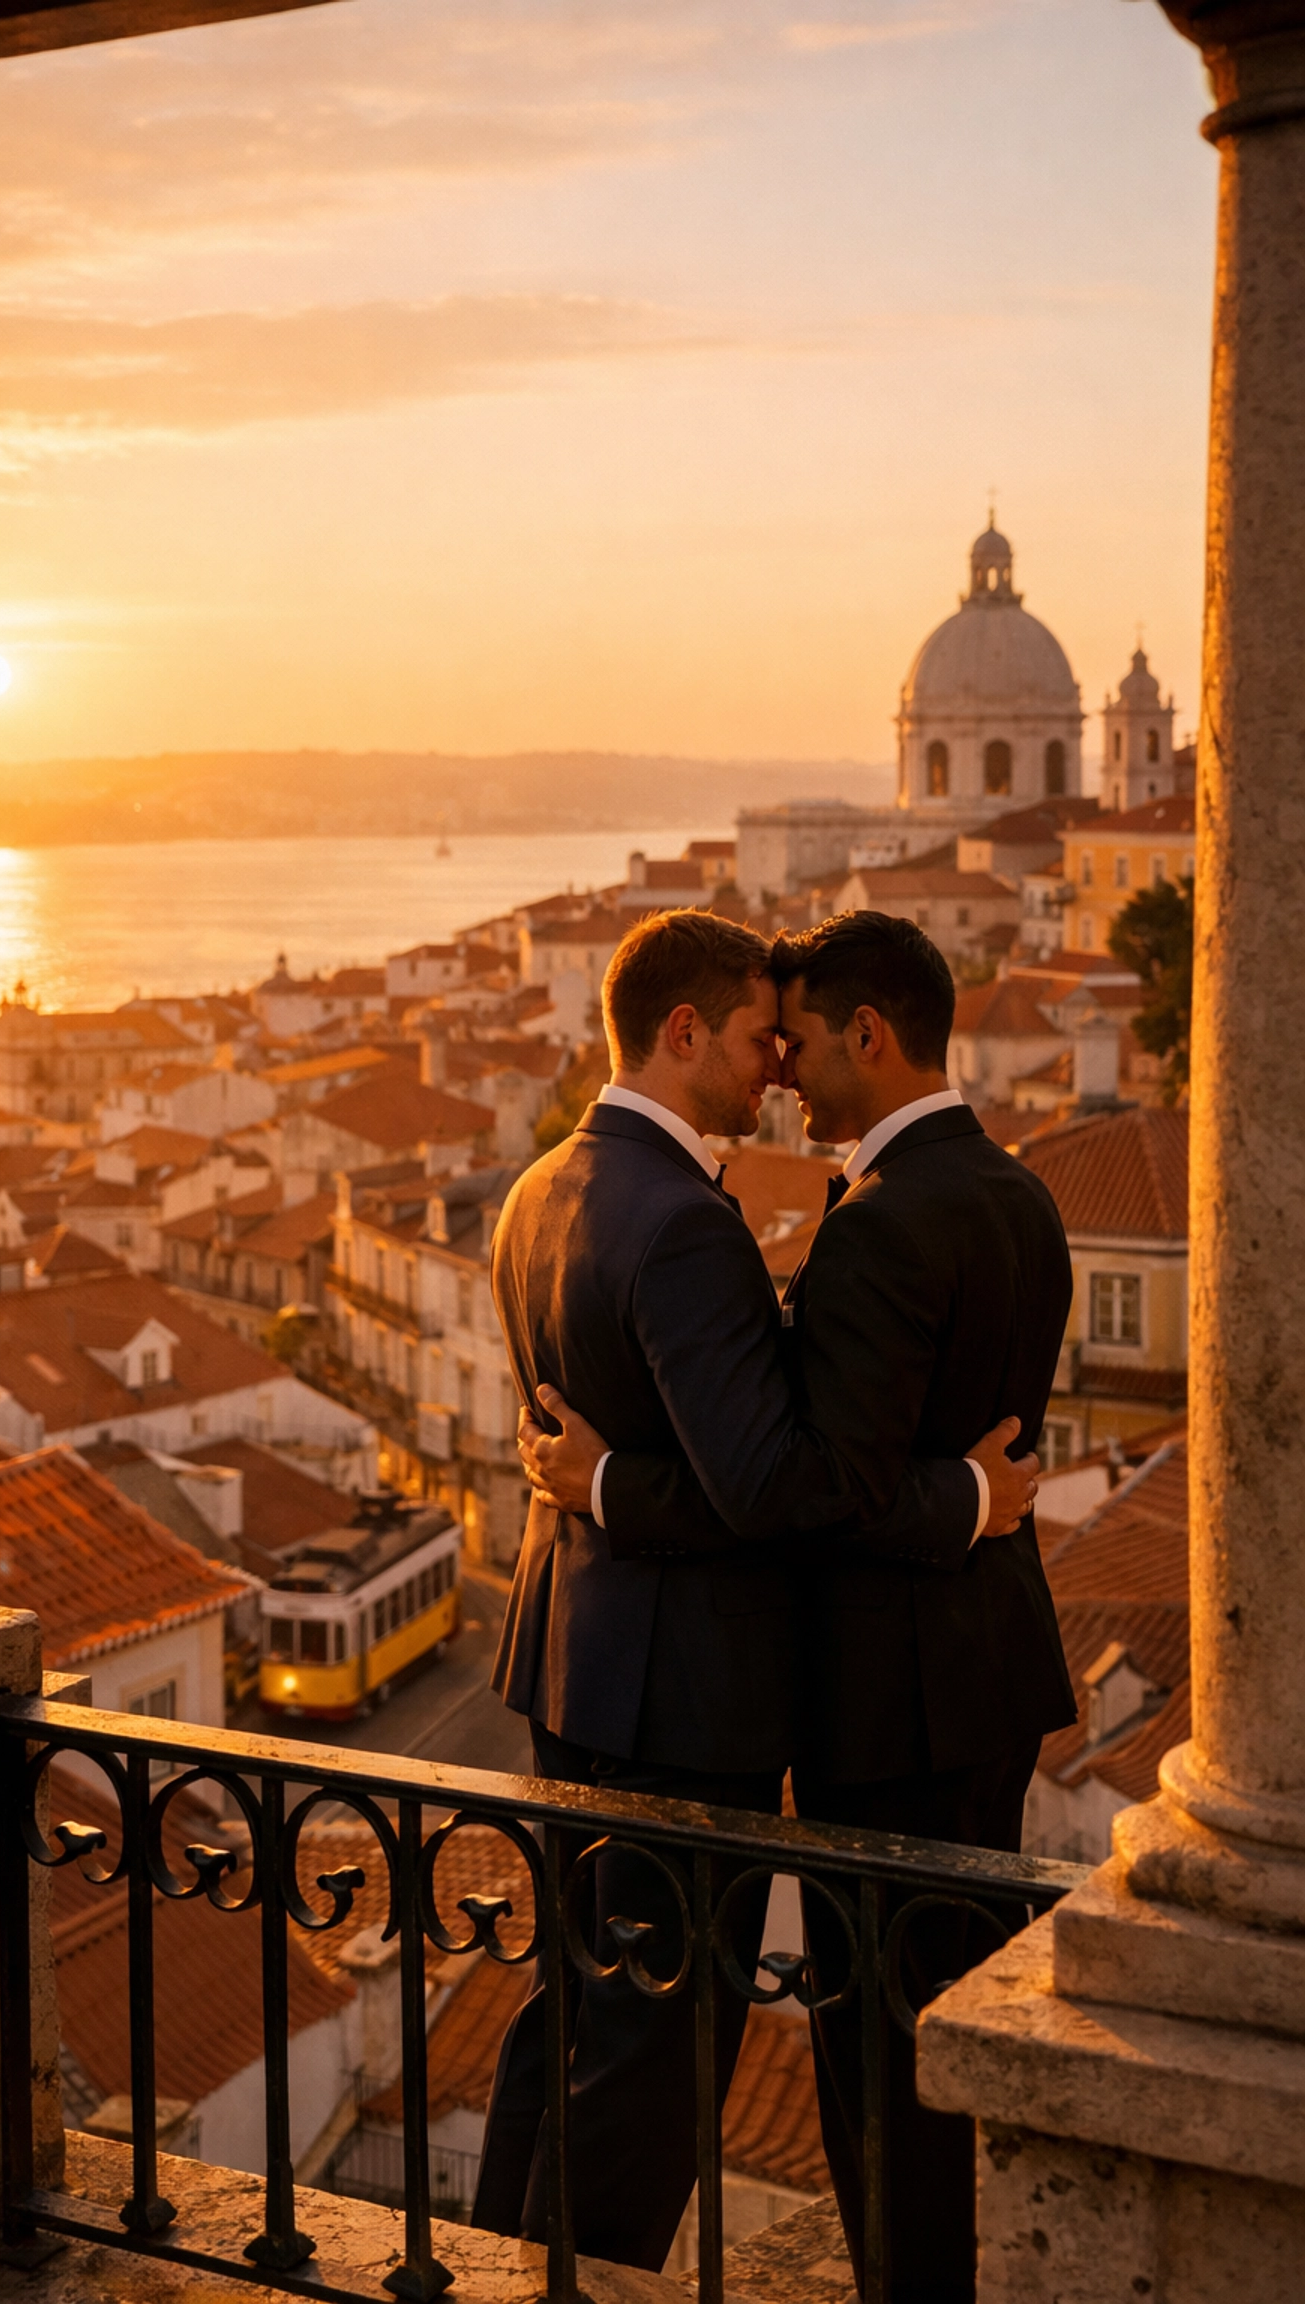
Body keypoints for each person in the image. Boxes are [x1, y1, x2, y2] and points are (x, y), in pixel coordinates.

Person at [519, 909, 1077, 2304]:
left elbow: (797, 1481)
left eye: (803, 1038)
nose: (784, 1070)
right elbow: (784, 1481)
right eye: (765, 1037)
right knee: (744, 2035)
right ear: (684, 1030)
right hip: (958, 1664)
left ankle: (515, 2269)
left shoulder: (546, 1190)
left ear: (869, 1035)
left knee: (635, 2024)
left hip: (674, 1672)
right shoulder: (1020, 1190)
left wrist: (596, 1487)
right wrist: (965, 1501)